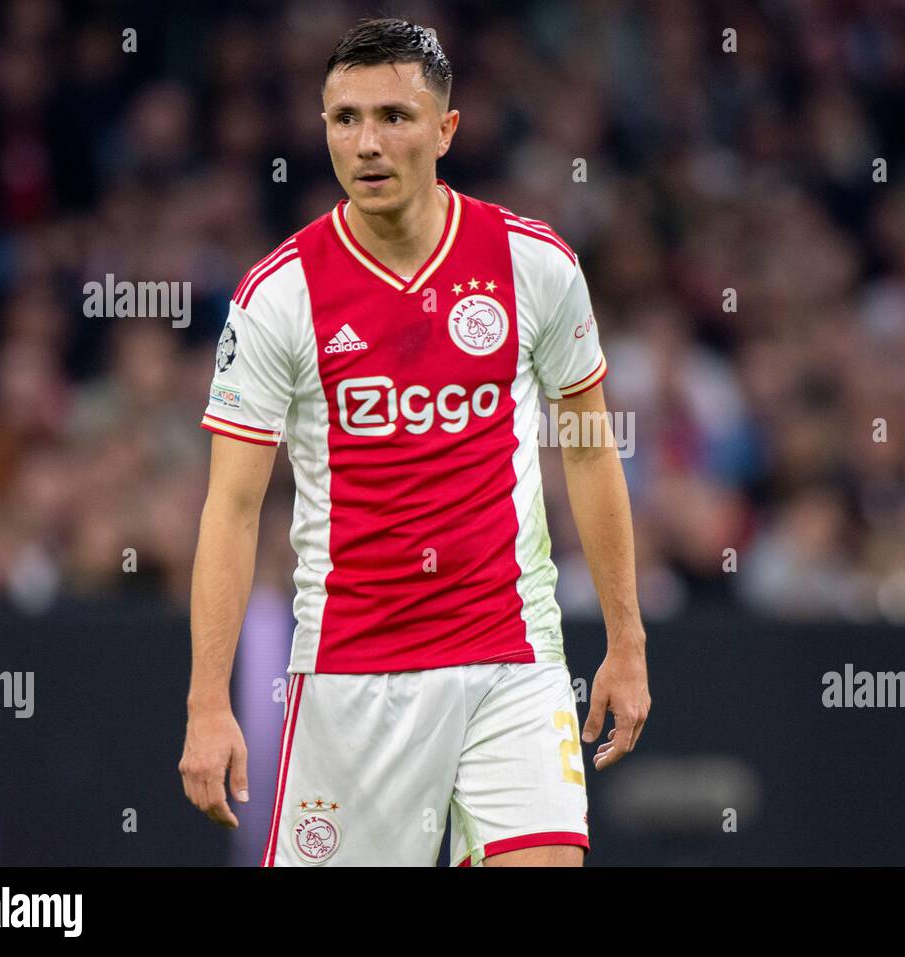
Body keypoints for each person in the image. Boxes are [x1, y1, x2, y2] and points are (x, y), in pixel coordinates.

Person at [178, 16, 650, 867]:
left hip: (512, 652)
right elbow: (231, 507)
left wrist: (626, 640)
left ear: (446, 129)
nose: (366, 142)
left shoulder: (533, 265)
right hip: (353, 671)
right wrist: (208, 702)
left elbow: (587, 447)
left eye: (394, 116)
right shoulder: (278, 296)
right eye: (344, 118)